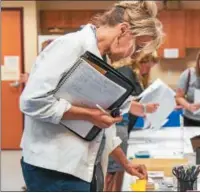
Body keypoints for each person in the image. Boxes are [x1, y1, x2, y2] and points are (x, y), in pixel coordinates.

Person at [19, 1, 164, 192]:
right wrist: (88, 115)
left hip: (83, 168)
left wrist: (125, 163)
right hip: (54, 168)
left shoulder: (101, 58)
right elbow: (31, 102)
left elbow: (104, 126)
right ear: (123, 30)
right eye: (137, 47)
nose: (134, 55)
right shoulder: (70, 46)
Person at [104, 51, 160, 191]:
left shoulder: (135, 75)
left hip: (124, 124)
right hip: (118, 124)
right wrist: (144, 108)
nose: (147, 70)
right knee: (112, 171)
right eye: (147, 66)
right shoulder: (125, 72)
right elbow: (122, 102)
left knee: (119, 168)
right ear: (140, 61)